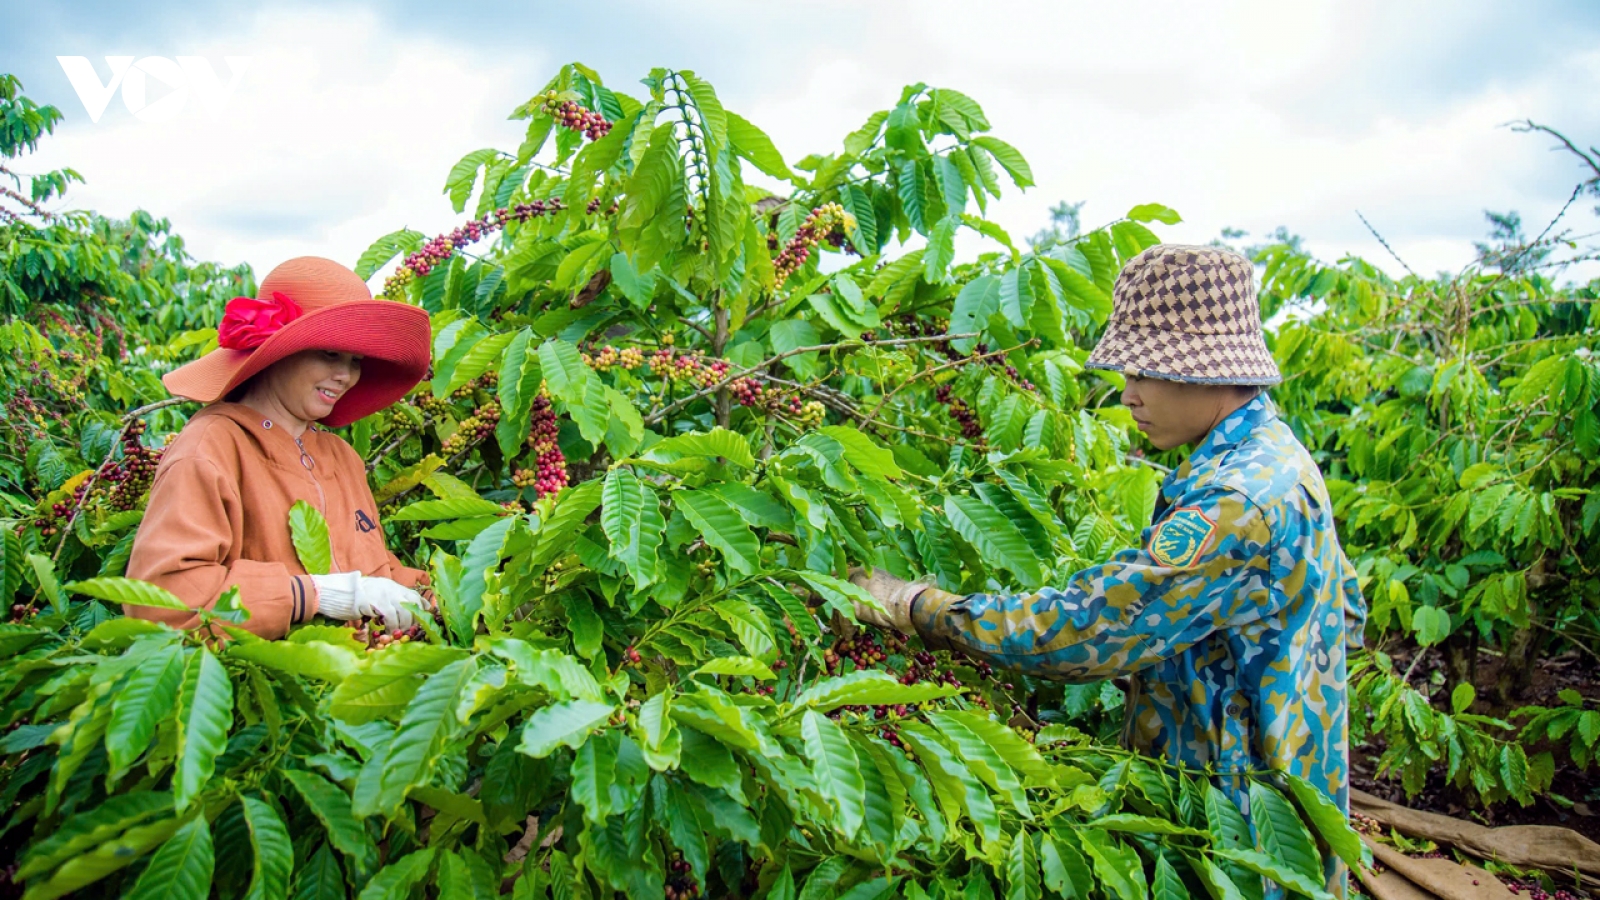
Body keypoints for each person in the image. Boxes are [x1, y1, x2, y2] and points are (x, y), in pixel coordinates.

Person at [850, 244, 1365, 891]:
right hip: (1286, 789)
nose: (1129, 395)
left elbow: (1087, 630)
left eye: (1144, 372)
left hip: (1236, 831)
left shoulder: (1234, 503)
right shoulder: (1275, 454)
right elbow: (1347, 612)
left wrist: (916, 606)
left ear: (1204, 371)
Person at [125, 256, 434, 639]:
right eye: (330, 353)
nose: (346, 375)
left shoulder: (341, 458)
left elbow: (376, 573)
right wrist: (312, 595)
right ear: (279, 351)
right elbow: (160, 601)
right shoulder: (210, 449)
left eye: (355, 361)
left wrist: (439, 599)